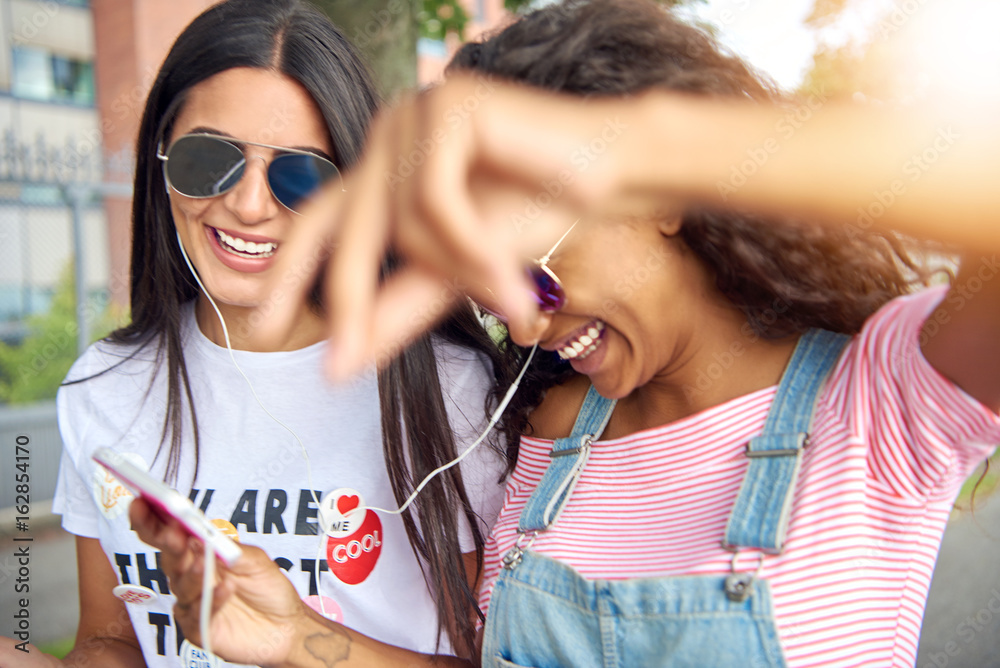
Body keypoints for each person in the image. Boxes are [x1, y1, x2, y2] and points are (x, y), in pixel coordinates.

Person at [130, 0, 1000, 666]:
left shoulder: (882, 407)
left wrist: (656, 137)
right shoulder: (551, 434)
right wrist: (303, 642)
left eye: (537, 270)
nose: (520, 323)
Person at [0, 1, 516, 666]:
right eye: (207, 159)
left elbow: (492, 657)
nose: (247, 204)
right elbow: (112, 639)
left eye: (299, 172)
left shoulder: (446, 391)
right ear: (159, 161)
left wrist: (300, 641)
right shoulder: (103, 389)